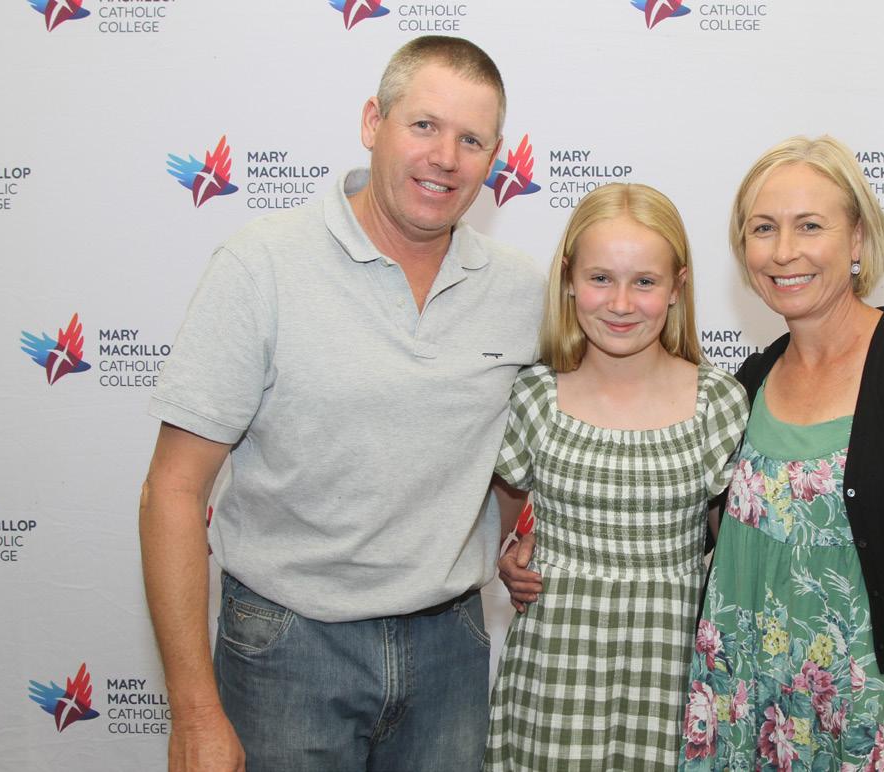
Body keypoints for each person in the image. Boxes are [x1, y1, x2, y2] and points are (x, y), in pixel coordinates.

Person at [138, 36, 543, 772]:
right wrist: (193, 713)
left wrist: (524, 537)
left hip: (451, 651)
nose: (445, 157)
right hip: (286, 649)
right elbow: (172, 489)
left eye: (471, 139)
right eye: (424, 125)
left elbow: (543, 443)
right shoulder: (261, 265)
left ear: (494, 158)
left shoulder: (522, 291)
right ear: (372, 122)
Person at [678, 136, 884, 771]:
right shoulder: (748, 383)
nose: (784, 251)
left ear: (857, 239)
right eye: (763, 228)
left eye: (810, 225)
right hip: (757, 718)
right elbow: (700, 532)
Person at [485, 183, 749, 770]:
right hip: (554, 677)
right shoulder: (534, 396)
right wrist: (504, 558)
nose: (621, 303)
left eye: (645, 281)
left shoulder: (719, 402)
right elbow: (490, 533)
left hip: (675, 674)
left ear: (677, 287)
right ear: (568, 279)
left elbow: (734, 557)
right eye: (601, 278)